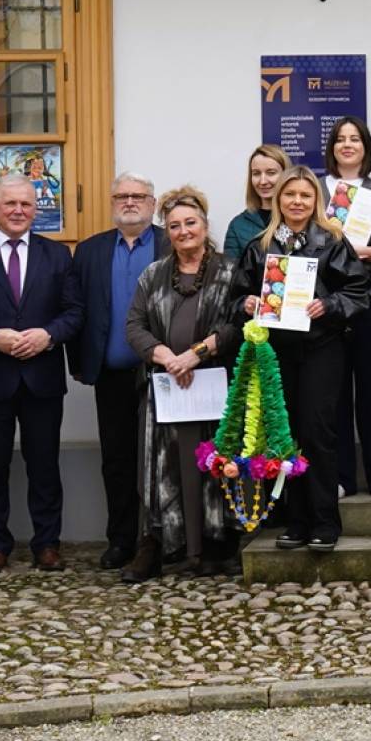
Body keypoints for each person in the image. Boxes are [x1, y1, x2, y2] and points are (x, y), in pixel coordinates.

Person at [229, 165, 369, 553]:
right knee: (285, 437)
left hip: (322, 349)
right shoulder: (260, 246)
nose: (297, 202)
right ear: (278, 199)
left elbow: (360, 292)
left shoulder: (333, 241)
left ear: (316, 201)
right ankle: (296, 521)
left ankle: (325, 521)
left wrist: (330, 304)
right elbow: (234, 297)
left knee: (318, 433)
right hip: (277, 353)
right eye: (290, 195)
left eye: (305, 196)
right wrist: (247, 302)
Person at [0, 176, 83, 572]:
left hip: (42, 377)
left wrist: (48, 335)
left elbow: (74, 312)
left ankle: (47, 544)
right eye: (10, 204)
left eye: (25, 203)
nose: (18, 210)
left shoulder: (58, 256)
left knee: (44, 464)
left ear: (35, 209)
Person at [123, 187, 243, 581]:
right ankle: (159, 544)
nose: (183, 231)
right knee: (161, 468)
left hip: (213, 389)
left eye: (190, 223)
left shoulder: (229, 271)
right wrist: (167, 358)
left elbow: (238, 326)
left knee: (211, 465)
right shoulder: (153, 275)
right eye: (174, 226)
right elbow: (134, 326)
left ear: (205, 226)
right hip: (166, 391)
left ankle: (213, 547)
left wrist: (197, 353)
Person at [66, 172, 168, 569]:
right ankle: (121, 539)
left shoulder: (168, 241)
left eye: (138, 196)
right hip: (110, 375)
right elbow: (77, 312)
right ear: (111, 202)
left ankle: (159, 539)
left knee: (161, 460)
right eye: (122, 196)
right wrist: (79, 363)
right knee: (117, 459)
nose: (130, 202)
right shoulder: (89, 251)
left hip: (163, 374)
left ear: (153, 203)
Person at [323, 117, 371, 501]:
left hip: (370, 296)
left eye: (355, 139)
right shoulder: (315, 189)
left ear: (367, 147)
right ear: (332, 147)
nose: (347, 145)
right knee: (334, 389)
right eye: (341, 139)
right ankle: (340, 477)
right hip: (328, 301)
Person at [224, 144, 289, 261]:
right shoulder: (238, 225)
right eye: (256, 173)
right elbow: (230, 273)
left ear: (286, 175)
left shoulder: (298, 219)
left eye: (271, 173)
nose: (262, 181)